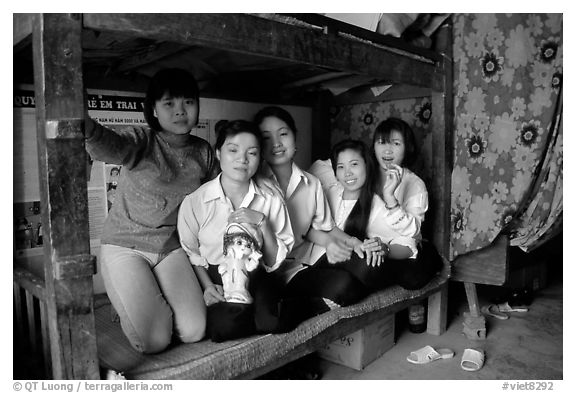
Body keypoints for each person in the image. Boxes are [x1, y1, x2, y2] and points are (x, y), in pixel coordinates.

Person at [84, 68, 216, 354]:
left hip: (171, 247)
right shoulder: (142, 140)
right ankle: (124, 295)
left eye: (188, 102)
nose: (180, 111)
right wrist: (86, 126)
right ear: (154, 110)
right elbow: (111, 147)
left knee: (194, 331)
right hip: (124, 245)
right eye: (169, 103)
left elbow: (220, 195)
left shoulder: (203, 151)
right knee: (154, 341)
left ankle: (138, 297)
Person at [177, 119, 294, 342]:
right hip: (218, 276)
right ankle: (253, 313)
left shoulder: (270, 198)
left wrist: (262, 223)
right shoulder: (197, 201)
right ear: (219, 153)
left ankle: (265, 310)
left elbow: (274, 261)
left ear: (259, 159)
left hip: (258, 273)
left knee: (272, 321)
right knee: (224, 328)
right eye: (233, 150)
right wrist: (207, 286)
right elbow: (190, 252)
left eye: (252, 153)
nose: (242, 159)